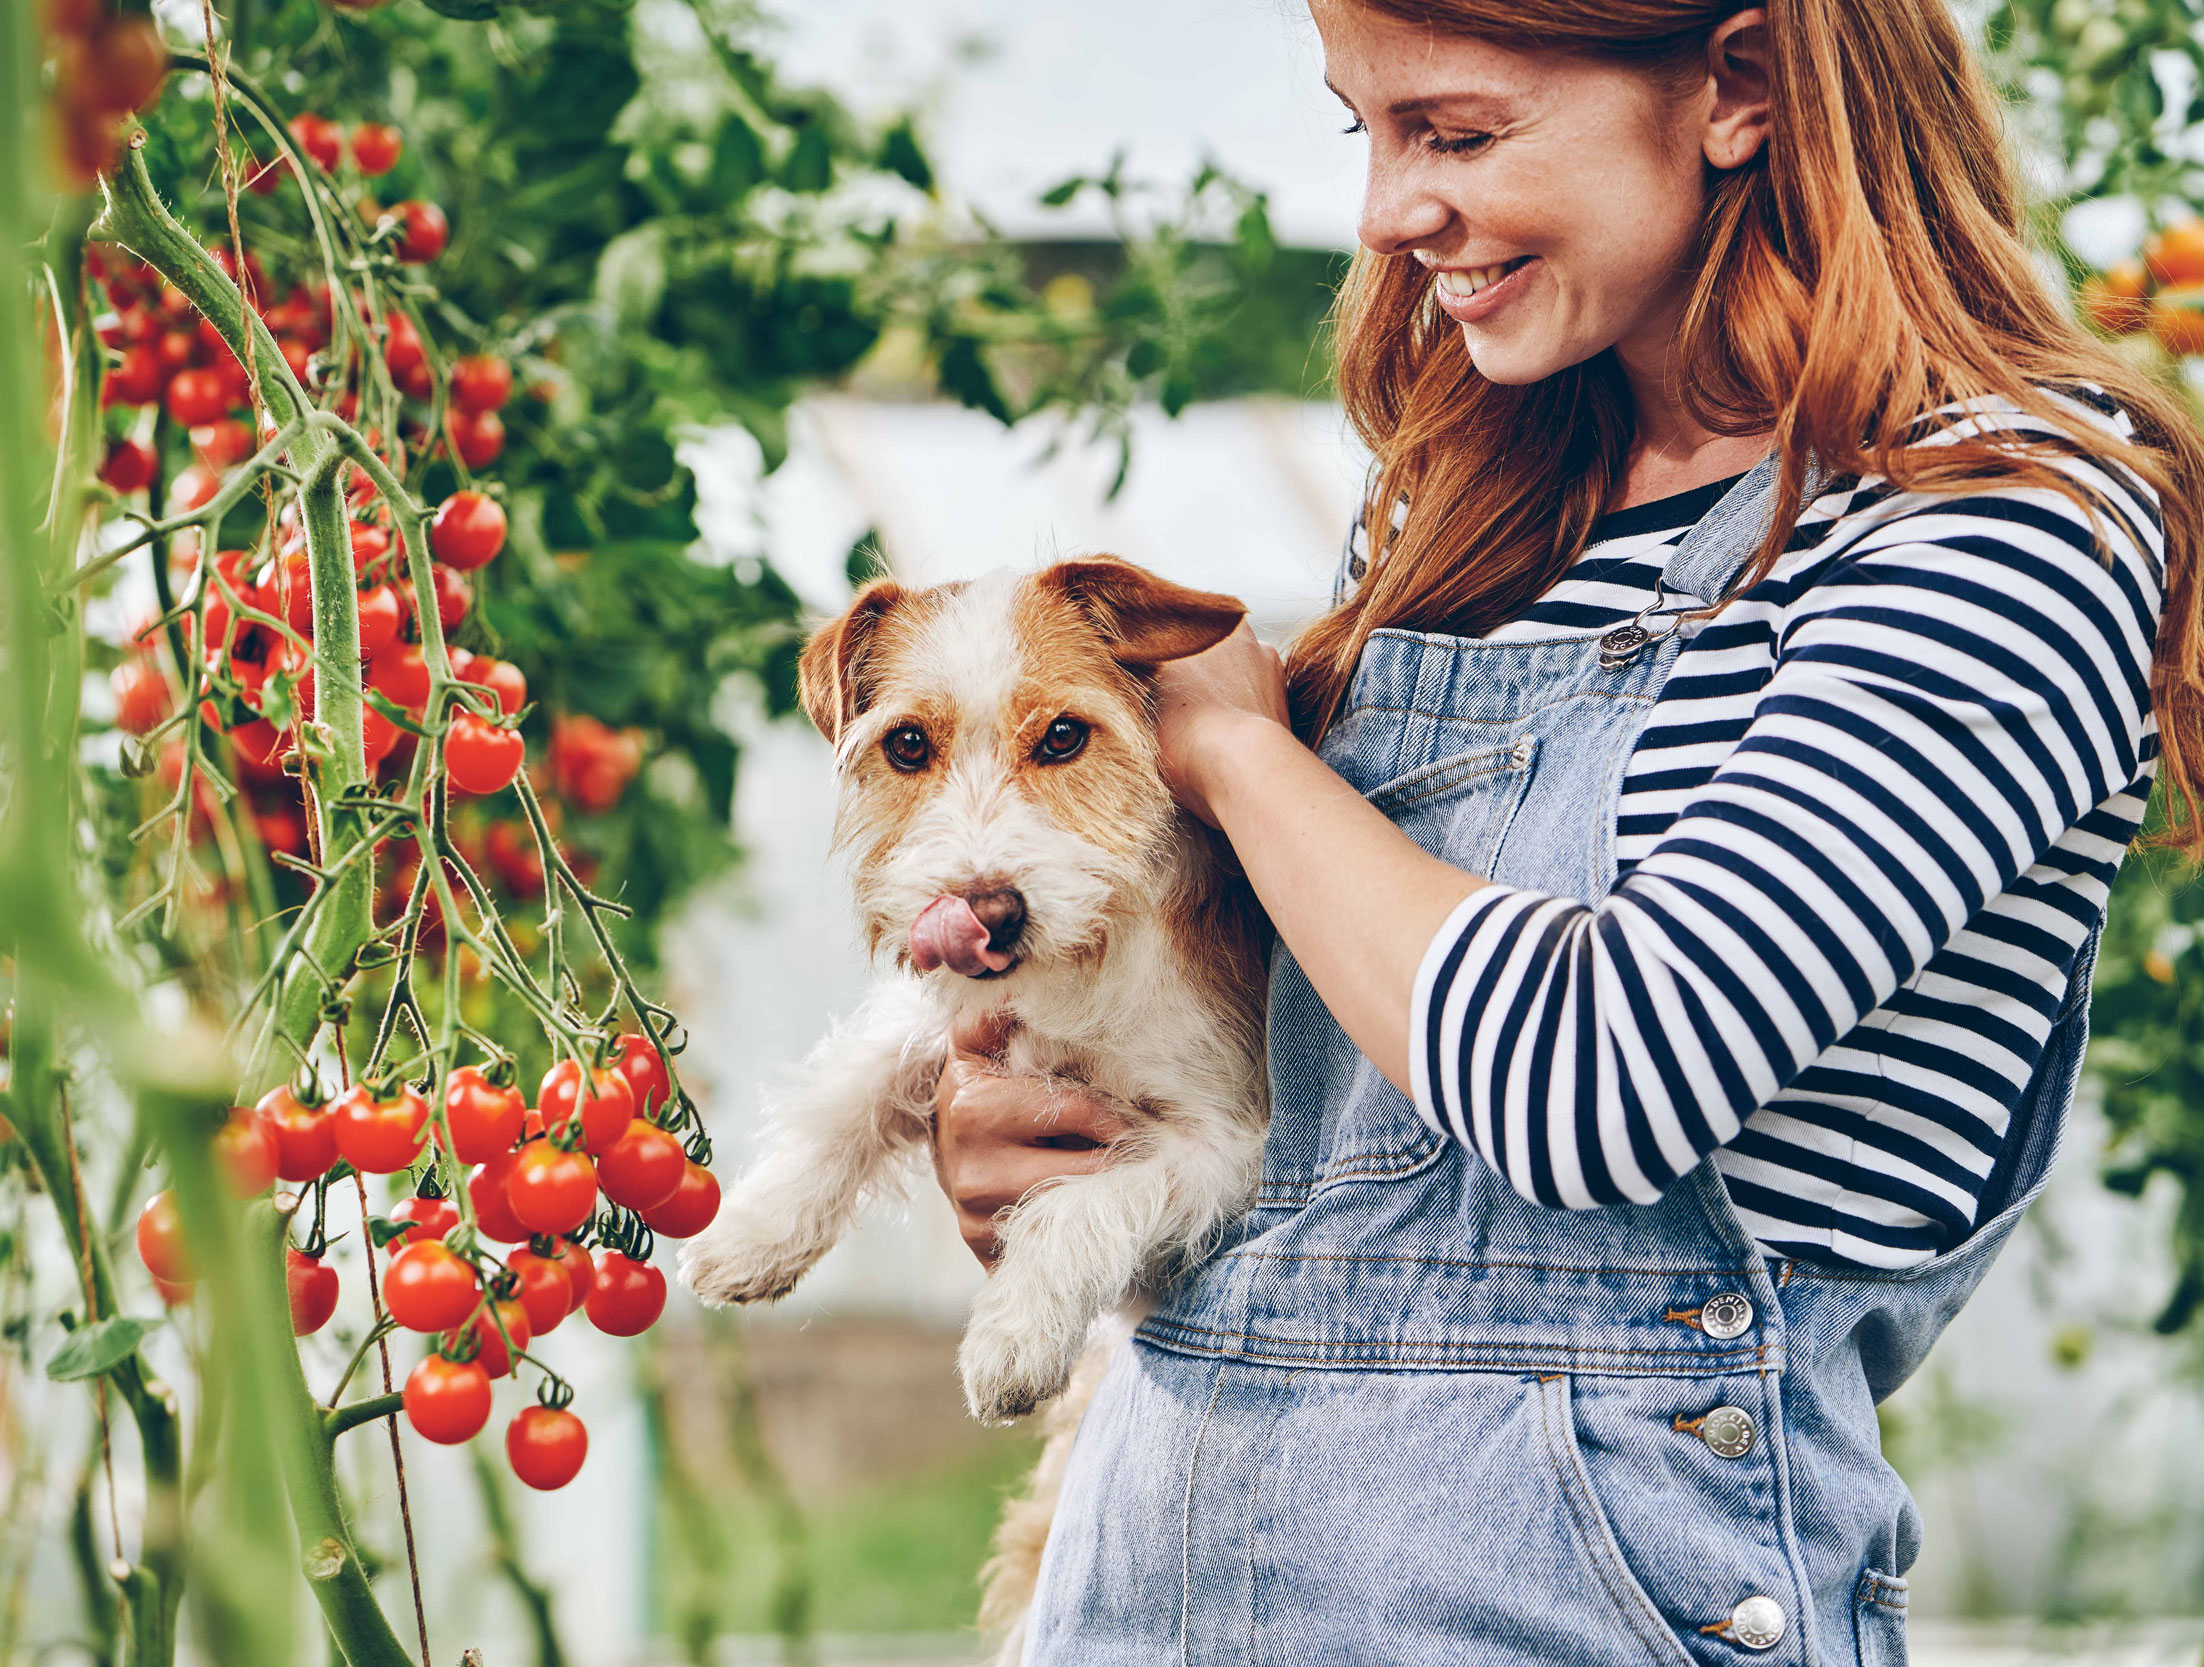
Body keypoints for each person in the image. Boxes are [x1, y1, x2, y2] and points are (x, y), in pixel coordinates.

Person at [928, 2, 2204, 1662]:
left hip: (1570, 1605)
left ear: (1739, 85)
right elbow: (1327, 1114)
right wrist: (1047, 1126)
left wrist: (1236, 753)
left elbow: (1600, 1079)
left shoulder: (2004, 525)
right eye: (1363, 133)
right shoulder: (1478, 517)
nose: (1389, 213)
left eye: (1454, 134)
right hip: (1150, 1584)